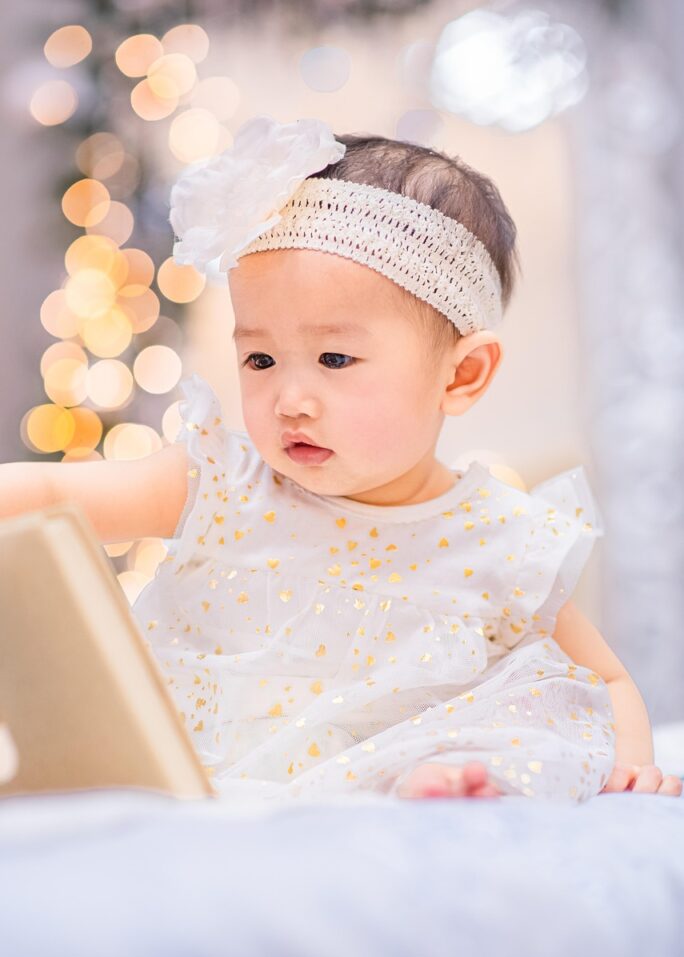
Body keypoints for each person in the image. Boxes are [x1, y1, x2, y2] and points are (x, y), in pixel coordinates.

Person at [1, 117, 679, 804]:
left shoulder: (497, 539)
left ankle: (441, 790)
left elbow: (607, 682)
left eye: (335, 359)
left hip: (395, 767)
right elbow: (53, 489)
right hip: (219, 779)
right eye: (260, 358)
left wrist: (628, 769)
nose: (290, 399)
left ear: (461, 375)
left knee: (522, 709)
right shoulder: (225, 484)